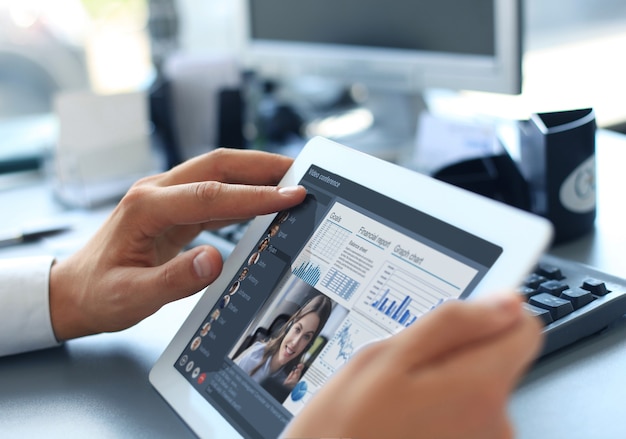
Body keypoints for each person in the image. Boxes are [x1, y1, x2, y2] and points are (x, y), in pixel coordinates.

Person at [0, 148, 543, 439]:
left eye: (308, 336)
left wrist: (61, 295)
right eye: (298, 329)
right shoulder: (260, 359)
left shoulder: (283, 373)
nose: (294, 342)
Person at [234, 294, 332, 395]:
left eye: (306, 337)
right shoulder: (254, 355)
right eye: (297, 329)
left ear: (308, 345)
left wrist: (285, 394)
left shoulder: (291, 383)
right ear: (289, 326)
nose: (295, 343)